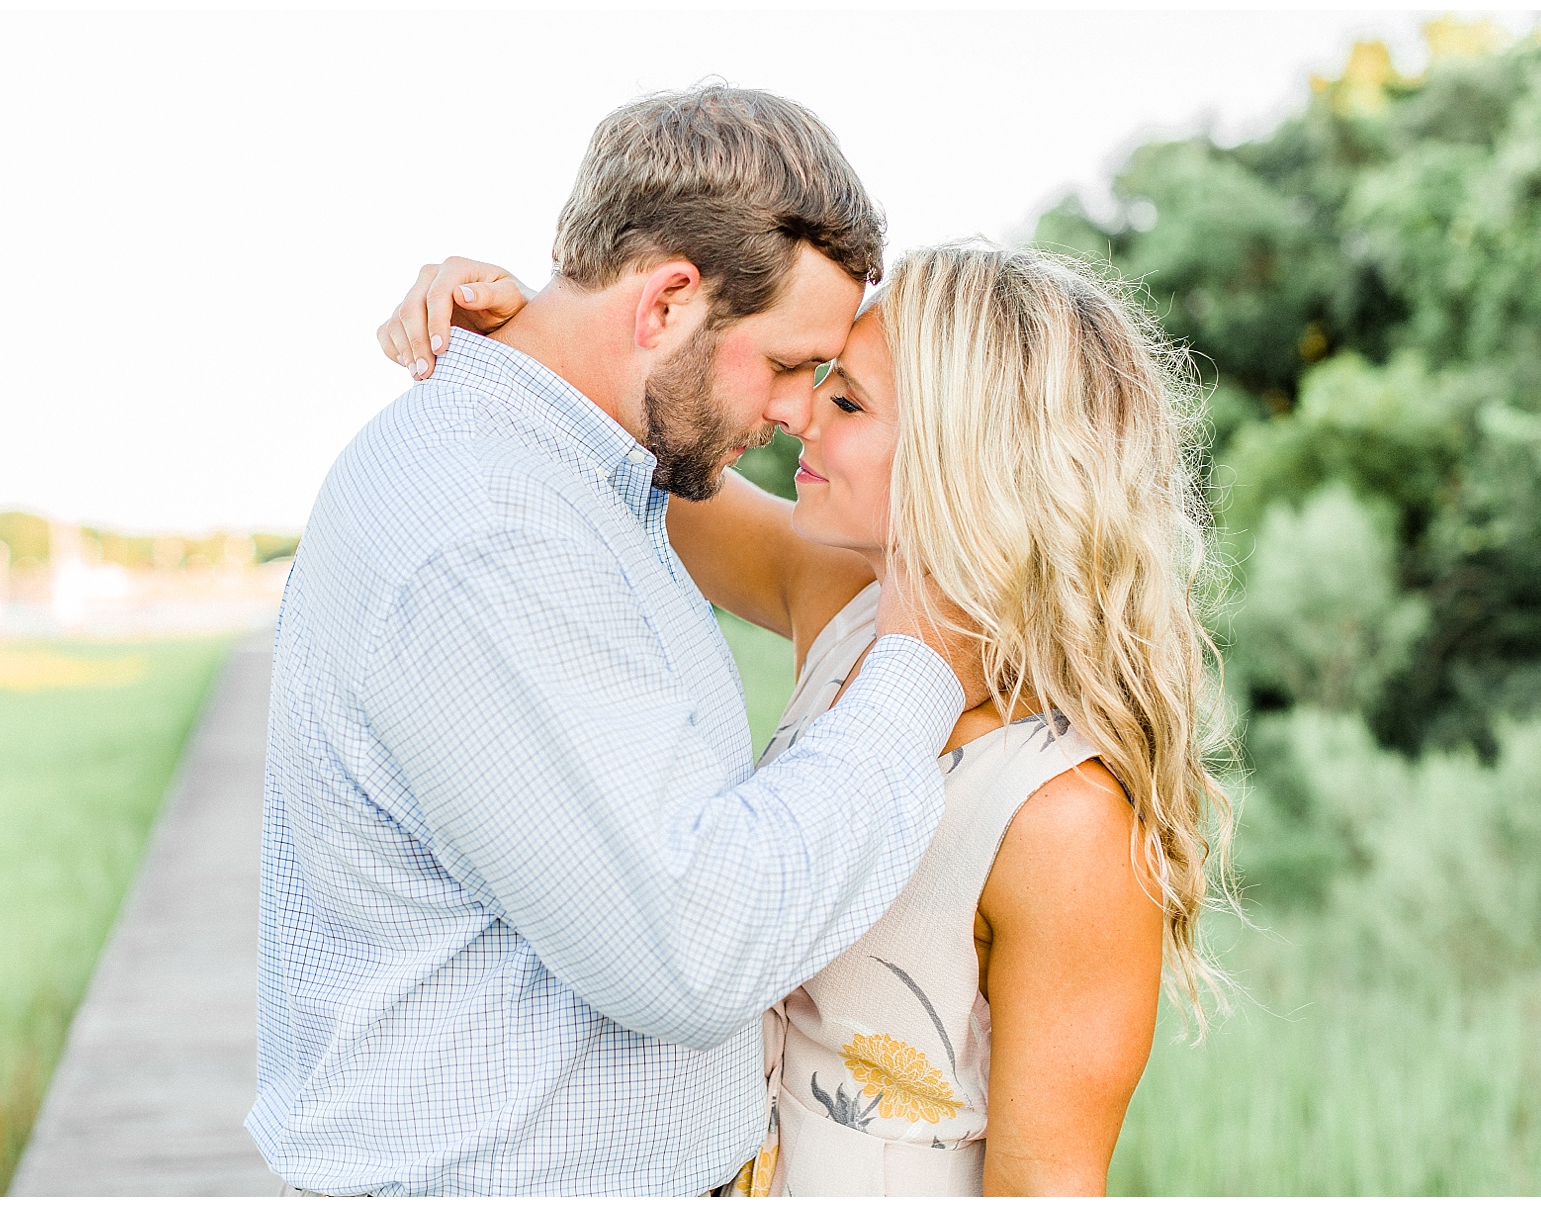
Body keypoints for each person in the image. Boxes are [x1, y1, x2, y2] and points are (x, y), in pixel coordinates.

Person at [253, 85, 990, 1197]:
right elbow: (694, 947)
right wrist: (919, 673)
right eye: (790, 365)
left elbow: (770, 534)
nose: (797, 415)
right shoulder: (489, 533)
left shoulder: (586, 472)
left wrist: (535, 341)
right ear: (667, 303)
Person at [378, 240, 1235, 1194]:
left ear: (972, 453)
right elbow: (632, 447)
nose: (797, 419)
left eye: (849, 400)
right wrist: (534, 336)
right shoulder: (842, 602)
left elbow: (1049, 1185)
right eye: (812, 380)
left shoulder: (1063, 816)